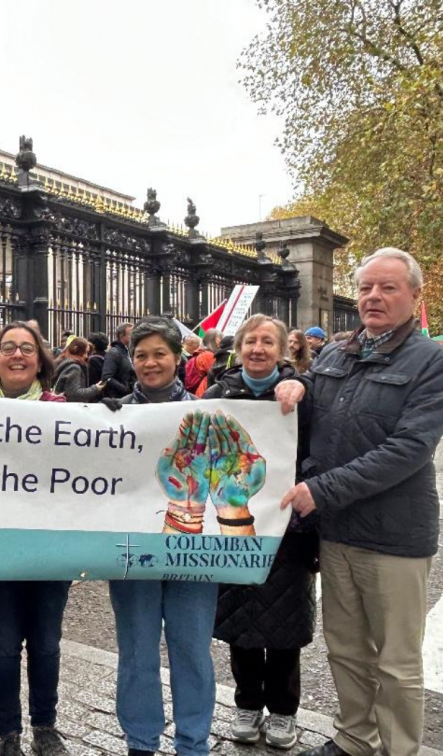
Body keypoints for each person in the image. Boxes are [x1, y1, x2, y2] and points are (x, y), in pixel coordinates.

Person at [279, 247, 443, 756]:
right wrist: (295, 384)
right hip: (338, 532)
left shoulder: (432, 363)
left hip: (394, 536)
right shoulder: (337, 353)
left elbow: (408, 450)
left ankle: (399, 748)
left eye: (387, 287)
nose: (373, 296)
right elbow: (315, 398)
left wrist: (321, 491)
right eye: (365, 288)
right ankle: (355, 737)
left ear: (414, 295)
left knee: (397, 661)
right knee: (346, 649)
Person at [102, 317, 219, 756]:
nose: (150, 363)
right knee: (137, 651)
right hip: (134, 552)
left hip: (194, 548)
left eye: (159, 354)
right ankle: (141, 740)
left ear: (177, 358)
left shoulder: (207, 414)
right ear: (131, 360)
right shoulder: (112, 415)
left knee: (192, 649)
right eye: (141, 355)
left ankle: (193, 742)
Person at [205, 315, 317, 751]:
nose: (257, 349)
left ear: (282, 350)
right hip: (234, 525)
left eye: (267, 342)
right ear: (238, 348)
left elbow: (317, 449)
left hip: (288, 527)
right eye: (250, 341)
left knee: (286, 623)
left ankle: (284, 710)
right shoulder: (217, 394)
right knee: (241, 622)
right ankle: (247, 703)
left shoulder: (303, 394)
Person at [0, 321, 69, 756]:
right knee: (3, 648)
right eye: (8, 347)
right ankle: (7, 732)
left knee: (46, 645)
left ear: (40, 360)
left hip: (49, 551)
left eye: (27, 349)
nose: (17, 355)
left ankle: (45, 726)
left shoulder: (64, 410)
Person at [53, 337, 105, 402]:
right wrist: (95, 388)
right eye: (85, 352)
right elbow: (74, 393)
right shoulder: (74, 368)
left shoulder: (63, 362)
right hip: (71, 406)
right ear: (76, 350)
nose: (86, 356)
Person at [102, 322, 135, 398]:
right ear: (121, 336)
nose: (134, 337)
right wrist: (125, 389)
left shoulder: (127, 351)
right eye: (131, 334)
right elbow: (107, 377)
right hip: (118, 397)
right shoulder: (114, 353)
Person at [184, 328, 221, 397]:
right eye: (220, 338)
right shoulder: (208, 356)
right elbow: (216, 375)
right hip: (202, 394)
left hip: (195, 393)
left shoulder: (200, 354)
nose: (221, 342)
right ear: (212, 340)